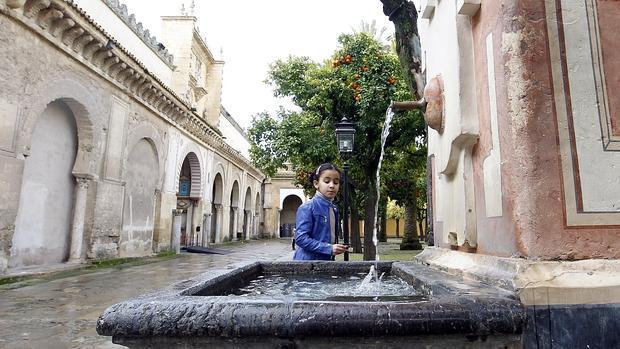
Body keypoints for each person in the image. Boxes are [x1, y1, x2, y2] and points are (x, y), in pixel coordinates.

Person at [293, 163, 349, 260]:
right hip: (307, 265)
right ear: (316, 184)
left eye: (336, 182)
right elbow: (301, 239)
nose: (332, 185)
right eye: (327, 181)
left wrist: (335, 248)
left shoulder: (334, 208)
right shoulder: (307, 207)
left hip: (326, 262)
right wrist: (329, 248)